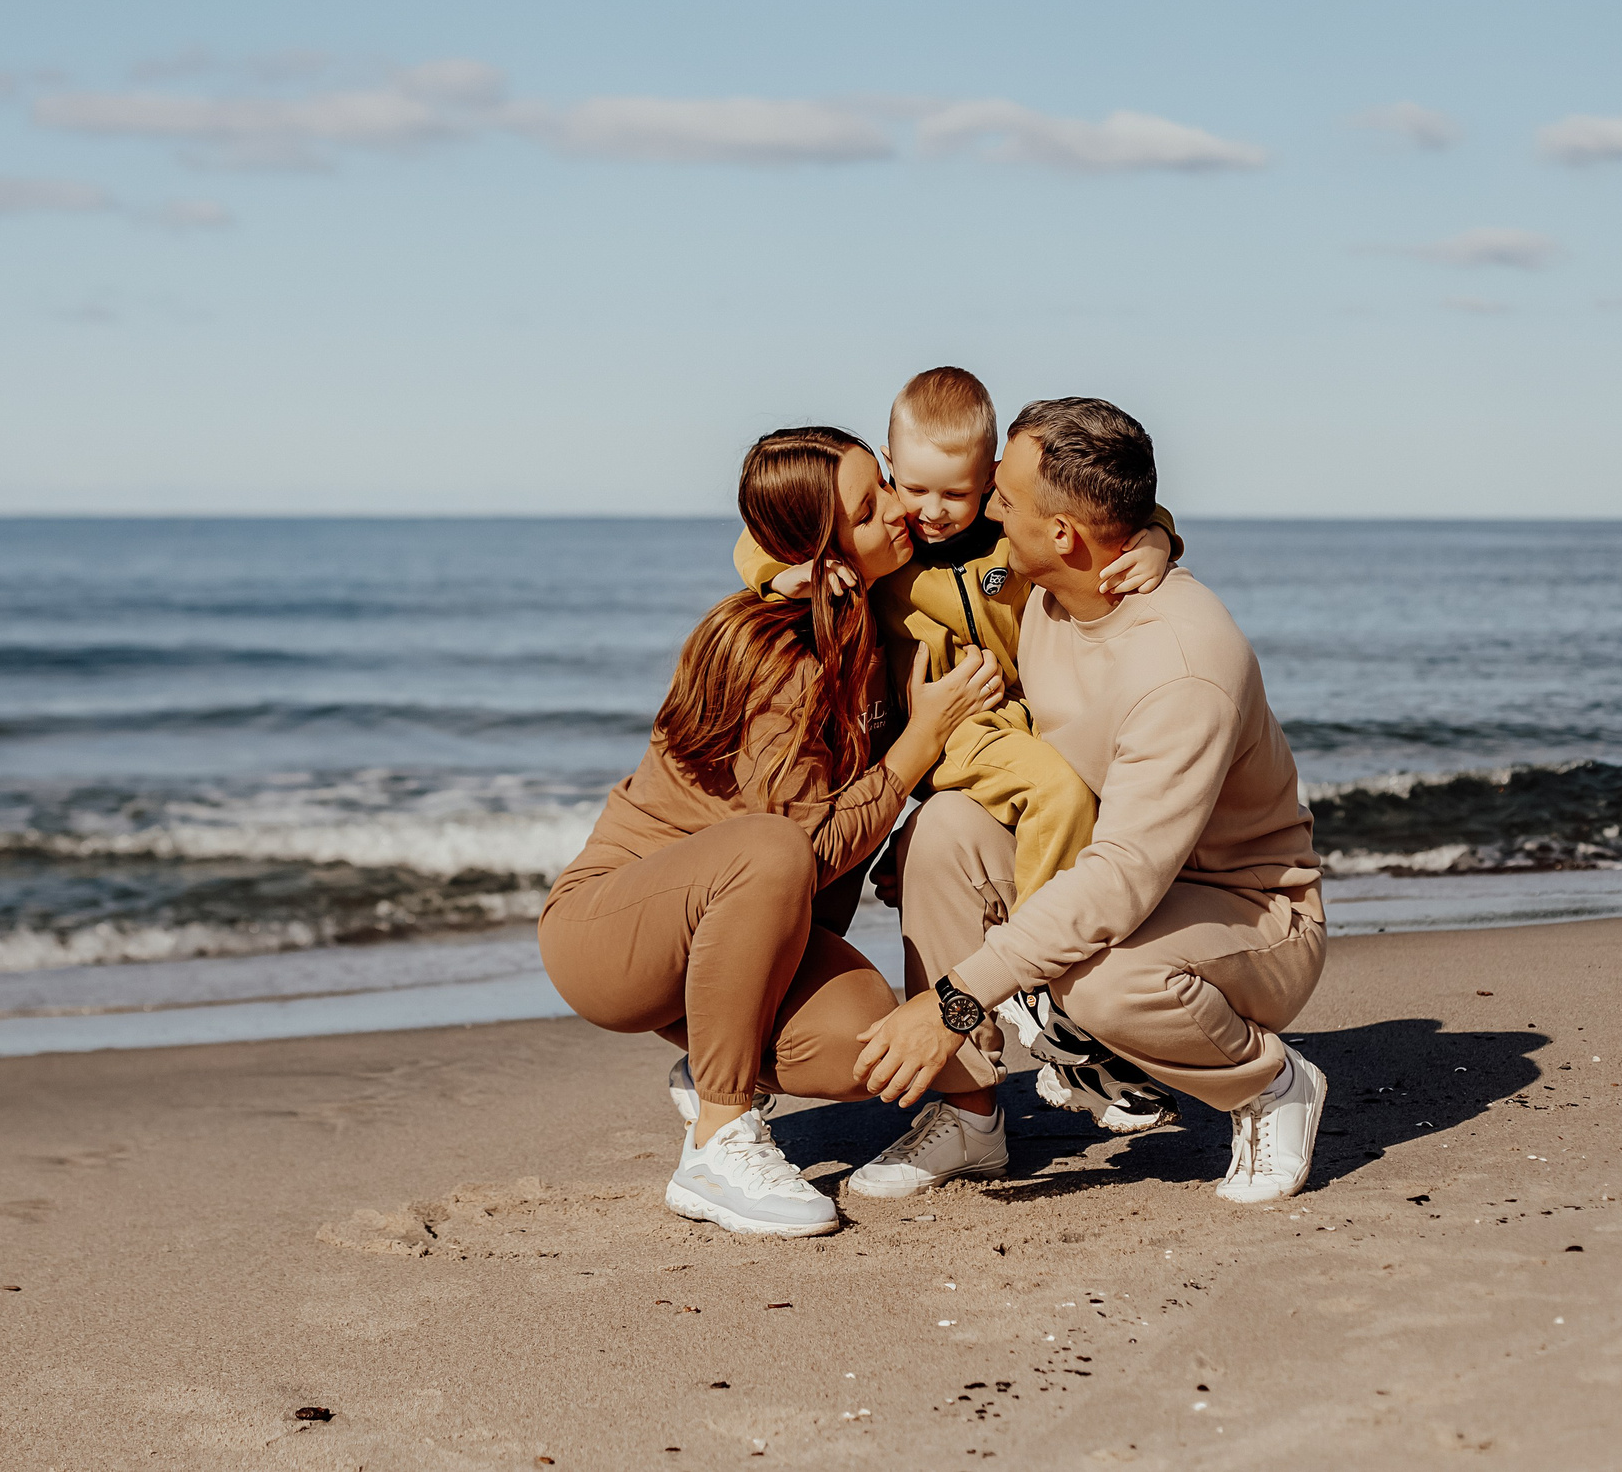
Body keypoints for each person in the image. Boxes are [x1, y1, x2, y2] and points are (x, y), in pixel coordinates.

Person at [852, 398, 1331, 1205]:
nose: (987, 511)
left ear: (1065, 534)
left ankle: (1271, 1084)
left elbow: (1120, 880)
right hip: (1128, 873)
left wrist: (959, 995)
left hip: (1249, 914)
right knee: (942, 834)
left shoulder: (1179, 670)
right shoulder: (1032, 587)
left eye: (1000, 498)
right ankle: (971, 1117)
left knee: (1100, 984)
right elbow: (965, 574)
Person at [540, 425, 1009, 1238]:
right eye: (870, 510)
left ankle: (720, 1055)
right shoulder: (771, 649)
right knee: (773, 846)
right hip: (609, 934)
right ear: (824, 552)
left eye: (885, 487)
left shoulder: (865, 615)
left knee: (875, 1045)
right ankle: (719, 1137)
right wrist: (914, 750)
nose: (900, 511)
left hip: (728, 932)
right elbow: (807, 852)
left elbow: (1018, 515)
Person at [731, 369, 1187, 1132]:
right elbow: (758, 538)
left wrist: (1157, 535)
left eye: (960, 493)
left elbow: (1090, 515)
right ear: (886, 467)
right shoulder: (888, 549)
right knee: (1060, 796)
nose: (933, 512)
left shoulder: (1006, 546)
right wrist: (788, 571)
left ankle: (1035, 971)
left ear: (991, 484)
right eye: (913, 489)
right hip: (947, 722)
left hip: (1014, 716)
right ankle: (1038, 980)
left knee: (1077, 797)